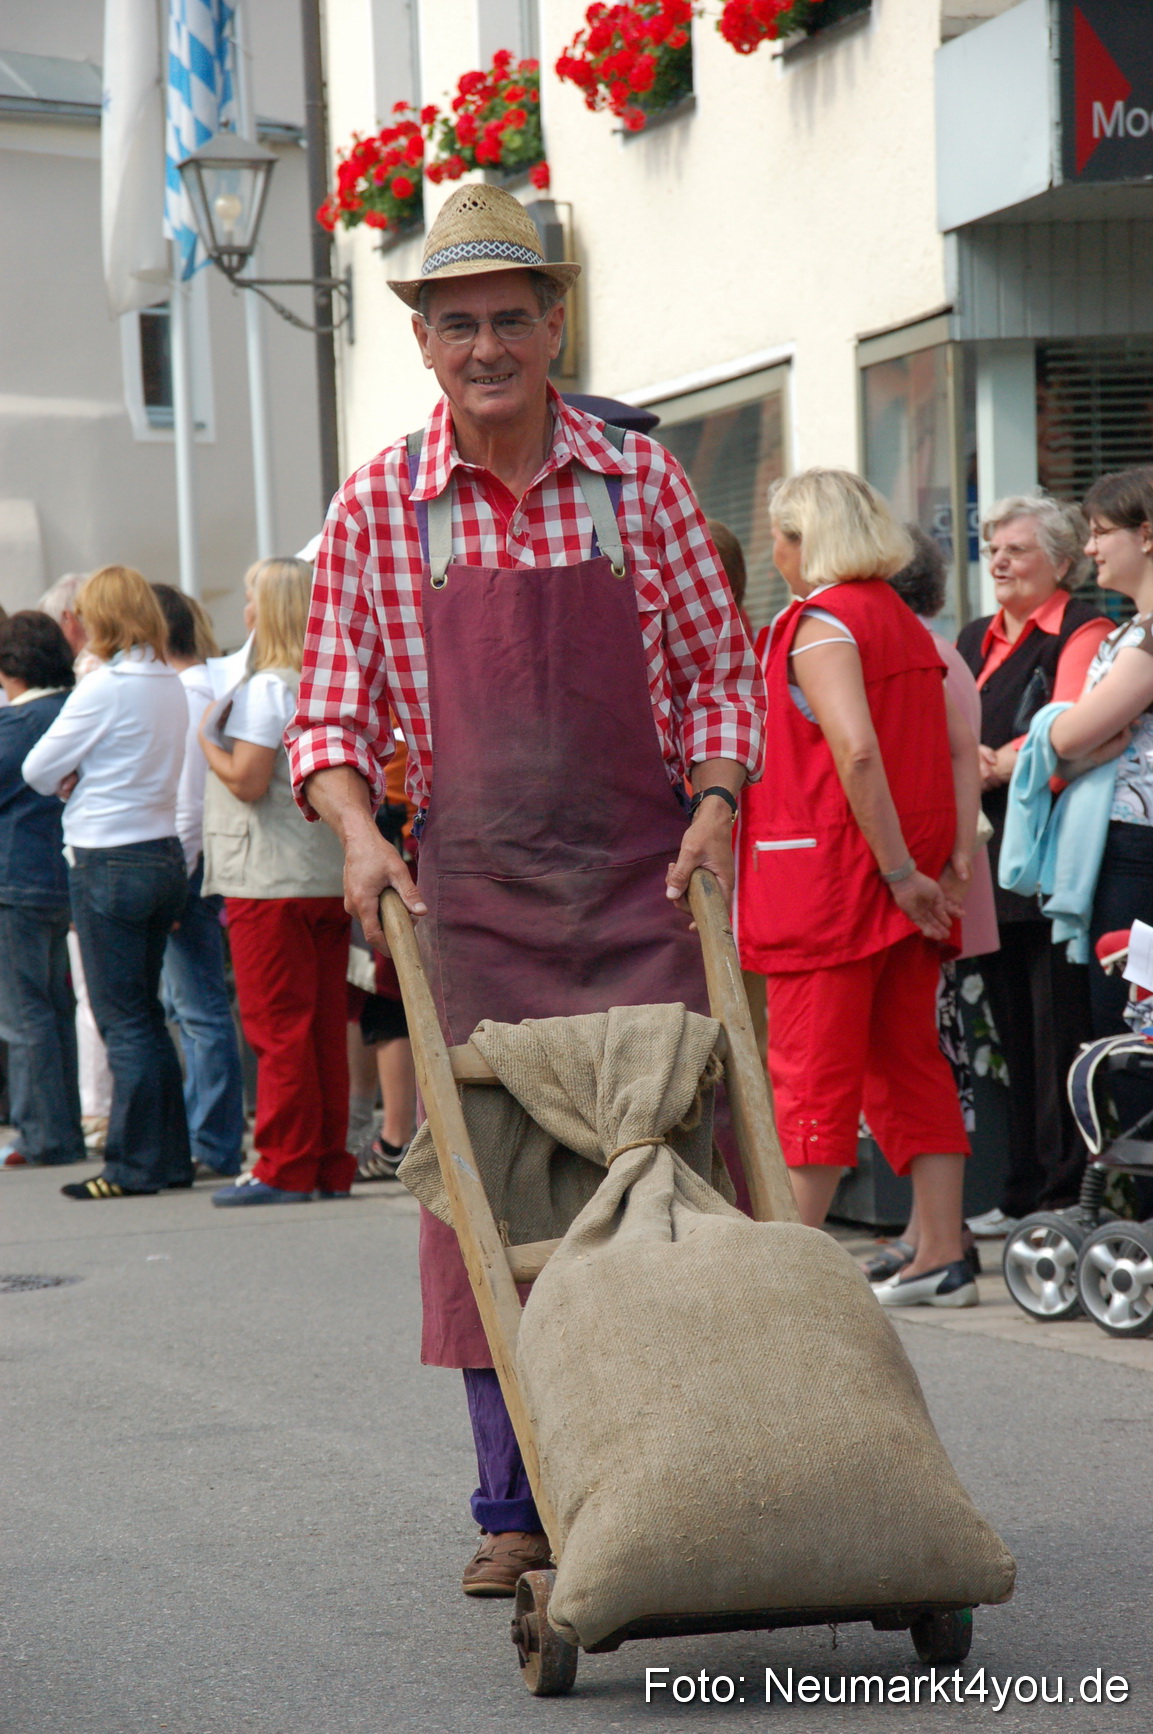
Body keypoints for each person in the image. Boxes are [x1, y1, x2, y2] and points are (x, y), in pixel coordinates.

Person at [286, 184, 765, 1596]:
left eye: (510, 318)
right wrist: (361, 839)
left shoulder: (641, 485)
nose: (486, 345)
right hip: (475, 909)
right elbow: (325, 718)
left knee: (671, 1185)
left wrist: (718, 804)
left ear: (555, 326)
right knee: (487, 1204)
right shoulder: (380, 502)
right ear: (423, 344)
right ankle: (515, 1502)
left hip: (639, 890)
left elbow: (719, 674)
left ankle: (692, 1464)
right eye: (458, 325)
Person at [737, 469, 980, 1308]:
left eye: (780, 534)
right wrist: (943, 858)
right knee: (910, 1065)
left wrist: (899, 870)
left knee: (810, 1076)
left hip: (835, 883)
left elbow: (857, 752)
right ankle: (942, 1253)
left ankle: (787, 1282)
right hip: (901, 877)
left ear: (805, 539)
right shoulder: (905, 624)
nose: (775, 553)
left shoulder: (822, 624)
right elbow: (957, 747)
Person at [956, 495, 1110, 1235]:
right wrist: (979, 759)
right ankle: (1019, 1187)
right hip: (986, 855)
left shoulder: (1081, 628)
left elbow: (1073, 726)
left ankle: (1061, 1192)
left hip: (1050, 854)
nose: (1000, 562)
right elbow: (946, 722)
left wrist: (995, 763)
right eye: (992, 550)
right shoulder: (972, 636)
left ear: (1061, 560)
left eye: (1016, 549)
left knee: (1058, 1027)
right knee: (1010, 1028)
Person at [22, 566, 191, 1199]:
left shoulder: (103, 688)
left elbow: (39, 770)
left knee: (125, 1020)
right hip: (161, 851)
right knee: (145, 1014)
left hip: (107, 858)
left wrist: (78, 777)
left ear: (103, 619)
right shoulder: (166, 683)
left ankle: (132, 1166)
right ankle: (168, 1157)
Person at [861, 529, 998, 1283]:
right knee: (931, 1052)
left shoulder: (920, 653)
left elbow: (941, 764)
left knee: (931, 1055)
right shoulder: (932, 647)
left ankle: (939, 1234)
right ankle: (927, 1230)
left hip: (932, 882)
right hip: (941, 879)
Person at [200, 557, 353, 1206]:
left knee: (277, 1026)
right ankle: (321, 1162)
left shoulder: (266, 687)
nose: (245, 614)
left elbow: (248, 778)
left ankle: (284, 1166)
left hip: (268, 879)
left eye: (252, 601)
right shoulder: (319, 682)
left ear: (273, 610)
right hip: (318, 872)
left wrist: (204, 735)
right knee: (320, 1027)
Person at [1044, 471, 1153, 1047]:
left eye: (1099, 532)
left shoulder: (1147, 639)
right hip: (1124, 846)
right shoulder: (1130, 632)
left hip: (1137, 848)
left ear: (1146, 534)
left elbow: (1068, 737)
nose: (1089, 548)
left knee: (1130, 1025)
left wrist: (1063, 734)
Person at [153, 584, 245, 1181]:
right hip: (203, 862)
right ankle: (209, 1135)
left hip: (189, 865)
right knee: (199, 1007)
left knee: (197, 1009)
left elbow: (188, 801)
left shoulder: (188, 692)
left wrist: (179, 877)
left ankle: (210, 1141)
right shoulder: (208, 683)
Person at [0, 612, 85, 1169]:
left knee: (25, 1013)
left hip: (15, 877)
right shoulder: (69, 711)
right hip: (61, 877)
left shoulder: (17, 724)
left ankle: (42, 1135)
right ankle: (63, 1128)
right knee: (56, 1008)